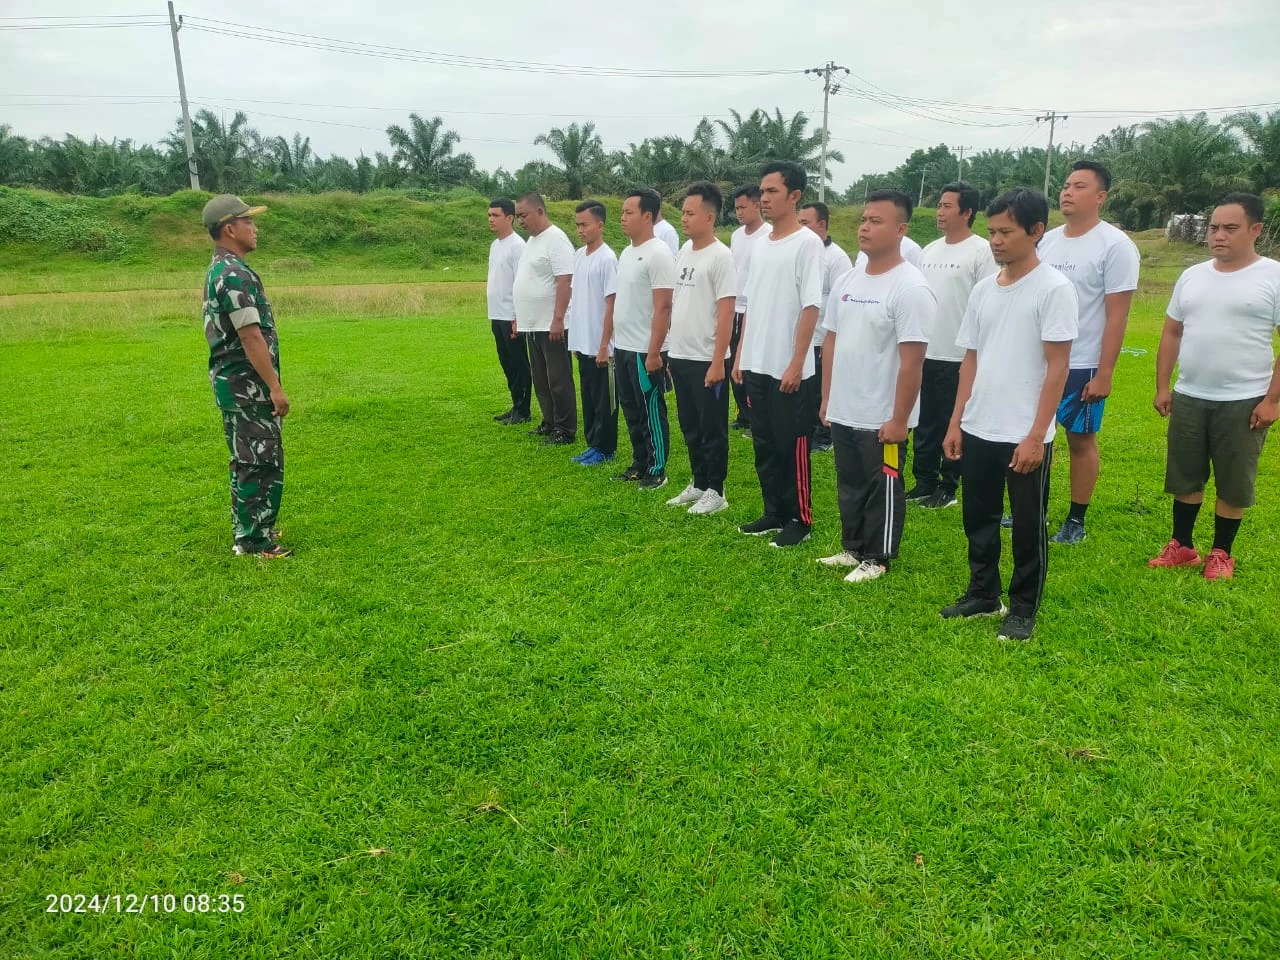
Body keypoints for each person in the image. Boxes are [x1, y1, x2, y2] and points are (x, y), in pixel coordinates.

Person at [941, 188, 1078, 642]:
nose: (995, 241)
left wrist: (1037, 435)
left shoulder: (1054, 289)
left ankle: (1023, 607)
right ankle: (983, 592)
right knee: (977, 517)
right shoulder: (984, 289)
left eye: (1006, 232)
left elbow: (1058, 367)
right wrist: (956, 421)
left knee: (1026, 524)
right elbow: (971, 360)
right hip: (980, 425)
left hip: (1024, 431)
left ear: (1036, 232)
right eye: (992, 231)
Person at [1149, 192, 1280, 580]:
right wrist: (1163, 385)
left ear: (1255, 230)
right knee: (1185, 475)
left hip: (1244, 398)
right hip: (1190, 394)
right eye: (1213, 227)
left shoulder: (1272, 275)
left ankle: (1221, 552)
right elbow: (1172, 331)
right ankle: (1182, 545)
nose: (1218, 235)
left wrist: (1272, 400)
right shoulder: (1192, 276)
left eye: (1230, 228)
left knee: (1234, 479)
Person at [818, 190, 934, 582]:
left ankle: (878, 556)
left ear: (901, 229)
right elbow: (831, 339)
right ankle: (852, 548)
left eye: (876, 221)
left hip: (883, 412)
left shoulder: (911, 287)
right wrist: (827, 397)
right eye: (864, 220)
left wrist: (900, 418)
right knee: (849, 482)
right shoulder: (849, 279)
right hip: (846, 404)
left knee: (882, 482)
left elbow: (913, 359)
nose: (865, 227)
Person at [1038, 160, 1140, 544]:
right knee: (1036, 435)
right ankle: (1034, 507)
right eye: (1065, 185)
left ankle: (1076, 520)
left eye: (1079, 186)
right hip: (1042, 360)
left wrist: (1105, 372)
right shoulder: (1046, 241)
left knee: (1079, 440)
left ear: (1100, 196)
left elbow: (1117, 315)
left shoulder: (1115, 246)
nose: (1067, 191)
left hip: (1083, 363)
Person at [732, 160, 825, 548]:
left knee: (793, 444)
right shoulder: (760, 245)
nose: (764, 198)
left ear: (795, 196)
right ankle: (773, 511)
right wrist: (740, 356)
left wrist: (796, 362)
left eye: (772, 191)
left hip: (789, 368)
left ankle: (799, 519)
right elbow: (751, 304)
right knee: (765, 441)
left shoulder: (807, 244)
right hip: (756, 362)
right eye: (762, 191)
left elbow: (810, 307)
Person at [201, 194, 291, 558]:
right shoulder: (233, 274)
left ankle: (254, 526)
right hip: (248, 387)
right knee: (260, 460)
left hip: (234, 385)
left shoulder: (222, 269)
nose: (255, 228)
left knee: (246, 459)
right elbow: (250, 335)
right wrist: (274, 386)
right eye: (248, 222)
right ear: (230, 229)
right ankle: (254, 541)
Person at [912, 181, 998, 508]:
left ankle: (948, 486)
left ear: (967, 212)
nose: (940, 212)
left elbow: (988, 303)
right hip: (925, 352)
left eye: (948, 206)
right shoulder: (929, 250)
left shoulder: (982, 251)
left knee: (954, 421)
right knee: (924, 421)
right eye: (940, 205)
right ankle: (923, 481)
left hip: (959, 355)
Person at [666, 181, 738, 516]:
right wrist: (671, 351)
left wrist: (717, 361)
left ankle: (716, 490)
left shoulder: (721, 257)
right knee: (689, 424)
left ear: (709, 217)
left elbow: (726, 313)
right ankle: (698, 481)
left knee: (712, 429)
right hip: (680, 355)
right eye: (683, 212)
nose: (684, 218)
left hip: (707, 359)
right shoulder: (683, 250)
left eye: (690, 212)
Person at [604, 188, 677, 490]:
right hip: (624, 346)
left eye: (628, 212)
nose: (622, 218)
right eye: (621, 212)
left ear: (647, 216)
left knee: (650, 409)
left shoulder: (659, 253)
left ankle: (657, 468)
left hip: (644, 349)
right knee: (631, 408)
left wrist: (655, 351)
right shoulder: (627, 251)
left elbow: (663, 307)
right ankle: (639, 461)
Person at [513, 192, 577, 445]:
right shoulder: (532, 241)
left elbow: (565, 281)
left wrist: (558, 319)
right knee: (540, 379)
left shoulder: (556, 239)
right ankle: (549, 421)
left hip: (551, 324)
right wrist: (520, 317)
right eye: (518, 216)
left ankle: (565, 428)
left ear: (540, 211)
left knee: (558, 379)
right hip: (533, 324)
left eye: (523, 215)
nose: (520, 221)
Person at [798, 201, 855, 454]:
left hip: (824, 339)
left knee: (823, 389)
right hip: (804, 339)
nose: (800, 228)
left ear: (822, 225)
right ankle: (809, 431)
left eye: (805, 223)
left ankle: (824, 435)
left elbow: (844, 300)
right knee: (807, 391)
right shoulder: (802, 251)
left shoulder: (837, 258)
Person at [568, 200, 619, 467]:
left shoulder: (608, 259)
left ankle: (606, 447)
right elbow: (578, 298)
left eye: (585, 224)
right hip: (583, 340)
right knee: (588, 396)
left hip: (601, 345)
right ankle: (592, 444)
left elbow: (611, 304)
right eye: (577, 225)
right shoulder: (579, 255)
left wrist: (604, 345)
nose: (580, 230)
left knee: (604, 399)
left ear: (600, 225)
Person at [729, 184, 771, 432]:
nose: (739, 213)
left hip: (755, 308)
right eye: (736, 209)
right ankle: (743, 414)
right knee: (733, 360)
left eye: (743, 207)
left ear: (757, 205)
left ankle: (757, 414)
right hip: (735, 306)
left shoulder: (768, 235)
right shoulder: (736, 236)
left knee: (751, 362)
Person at [486, 199, 531, 425]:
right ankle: (515, 405)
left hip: (511, 316)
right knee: (506, 362)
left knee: (518, 362)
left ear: (509, 218)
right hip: (497, 314)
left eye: (495, 215)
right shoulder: (496, 245)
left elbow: (521, 283)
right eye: (489, 215)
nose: (491, 220)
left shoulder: (517, 246)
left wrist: (517, 316)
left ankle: (523, 409)